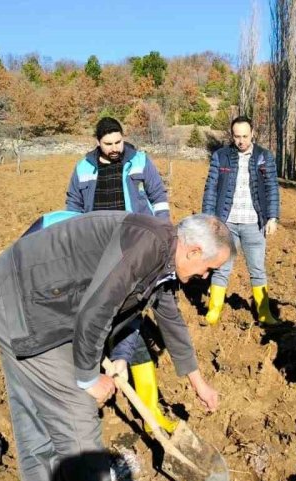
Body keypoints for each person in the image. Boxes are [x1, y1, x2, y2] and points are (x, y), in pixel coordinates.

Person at [0, 211, 231, 481]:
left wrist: (199, 383)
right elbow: (98, 307)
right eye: (208, 268)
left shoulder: (163, 256)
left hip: (27, 298)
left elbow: (169, 319)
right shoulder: (149, 243)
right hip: (27, 306)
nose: (205, 275)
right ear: (194, 250)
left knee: (36, 419)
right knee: (76, 418)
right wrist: (87, 376)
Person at [66, 117, 175, 432]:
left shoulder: (139, 160)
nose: (115, 149)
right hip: (95, 251)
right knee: (92, 318)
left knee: (131, 319)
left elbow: (158, 196)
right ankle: (86, 393)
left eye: (119, 142)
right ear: (97, 142)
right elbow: (73, 206)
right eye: (108, 144)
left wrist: (162, 229)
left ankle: (151, 409)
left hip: (131, 248)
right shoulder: (83, 168)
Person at [200, 116, 281, 326]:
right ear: (232, 135)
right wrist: (209, 218)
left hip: (254, 223)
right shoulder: (221, 157)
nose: (241, 141)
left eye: (245, 136)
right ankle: (214, 310)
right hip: (227, 223)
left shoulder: (264, 157)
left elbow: (272, 188)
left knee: (257, 269)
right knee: (222, 268)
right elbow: (210, 189)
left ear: (252, 133)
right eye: (237, 136)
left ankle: (264, 312)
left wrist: (272, 217)